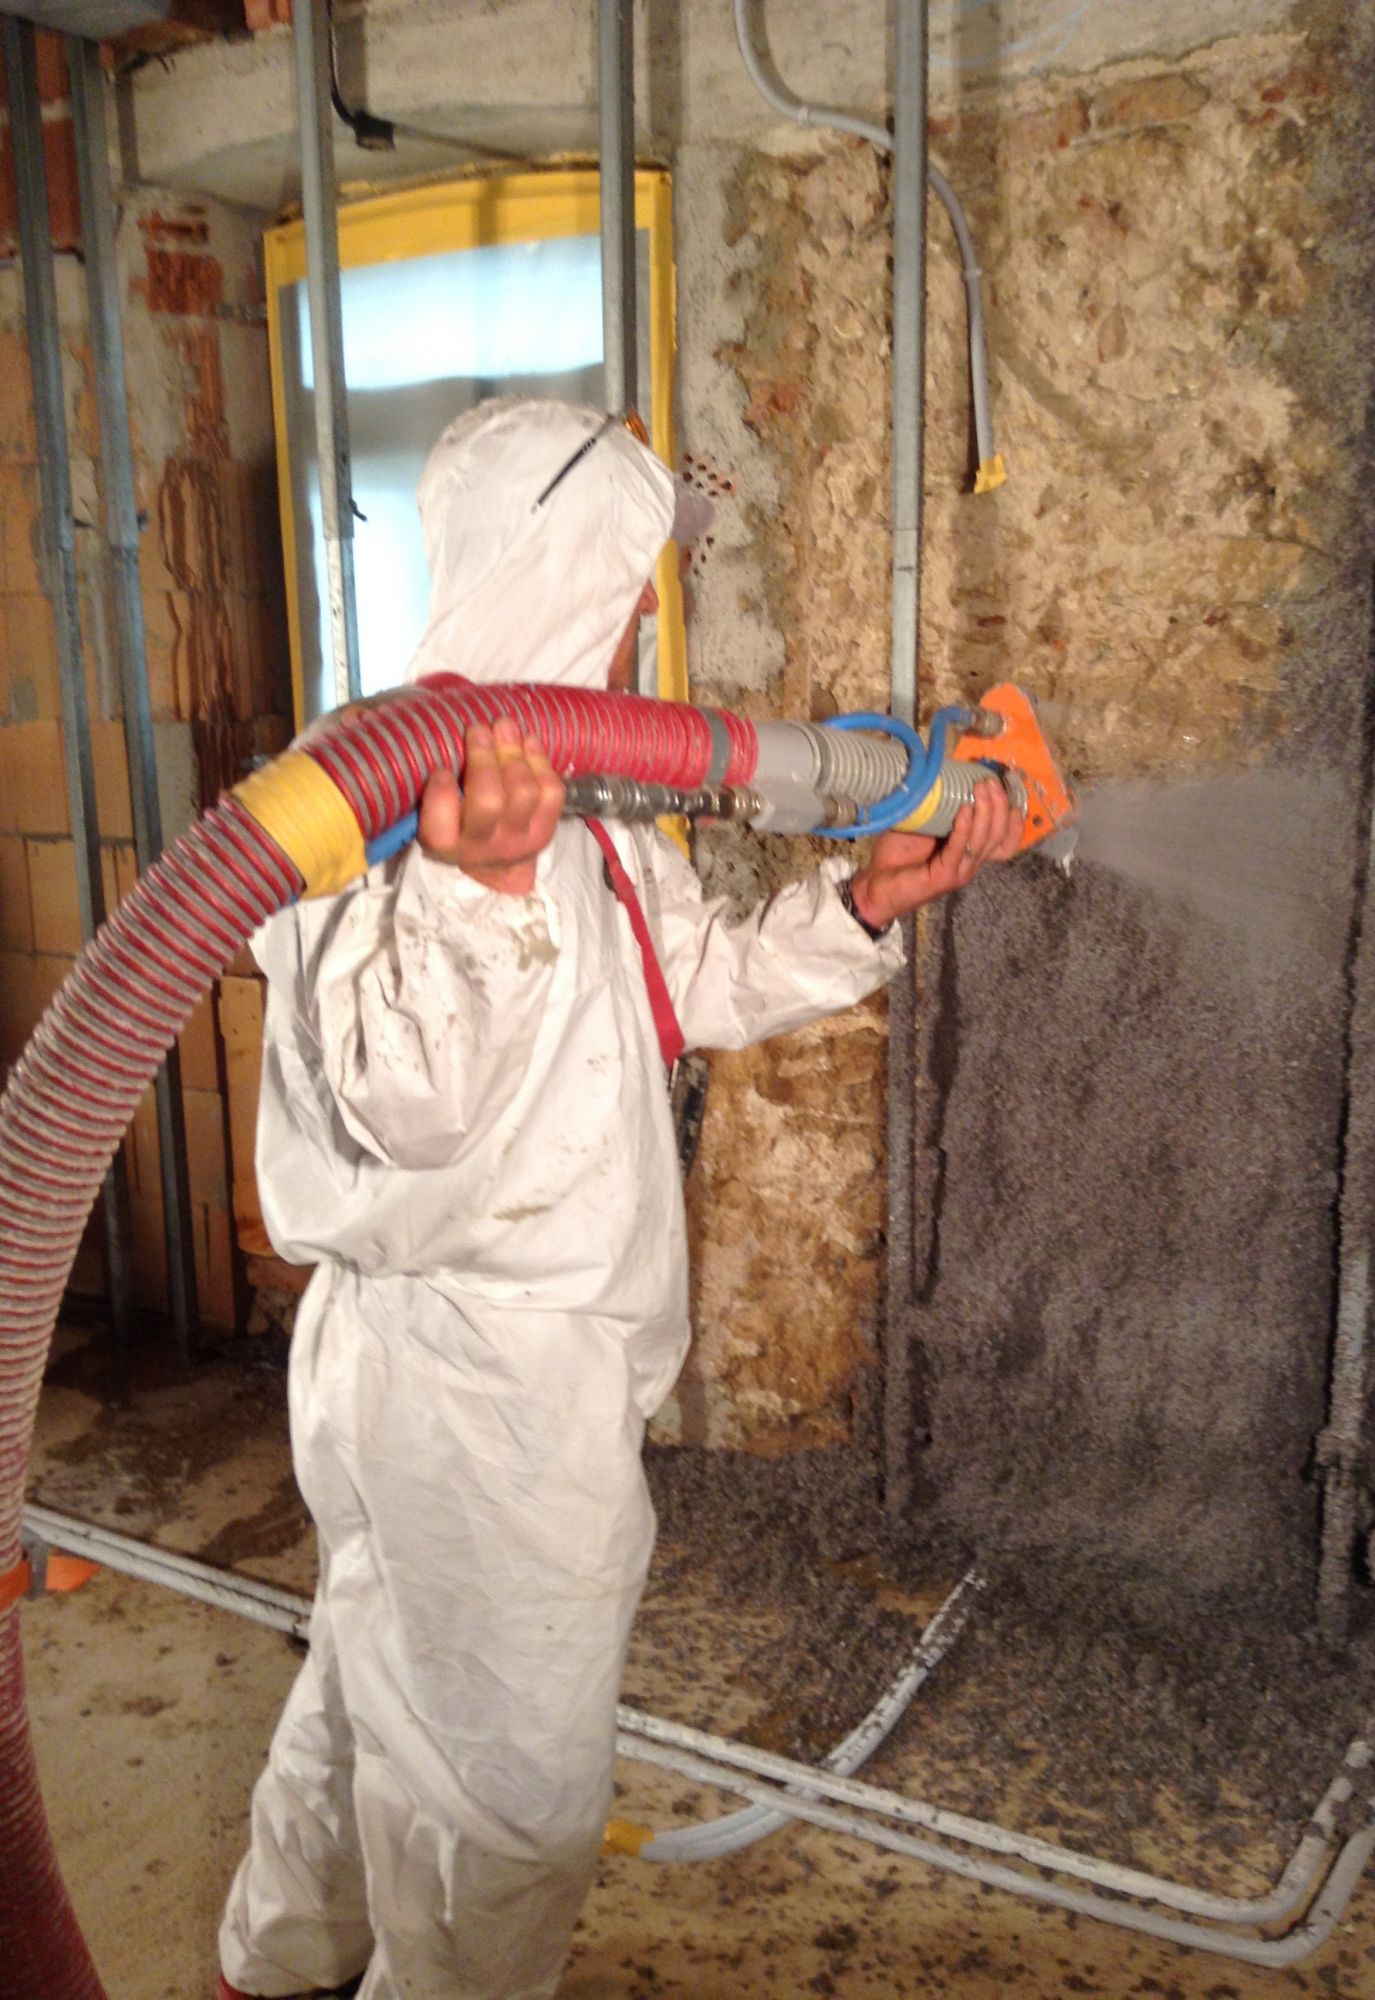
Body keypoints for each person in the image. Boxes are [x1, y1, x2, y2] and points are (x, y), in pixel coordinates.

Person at [217, 398, 1019, 2000]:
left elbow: (681, 981)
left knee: (375, 1675)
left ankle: (275, 1956)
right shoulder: (371, 796)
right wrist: (472, 890)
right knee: (511, 1796)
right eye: (632, 572)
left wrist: (864, 905)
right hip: (476, 1391)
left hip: (473, 1375)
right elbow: (406, 1108)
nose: (648, 610)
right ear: (561, 568)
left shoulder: (565, 793)